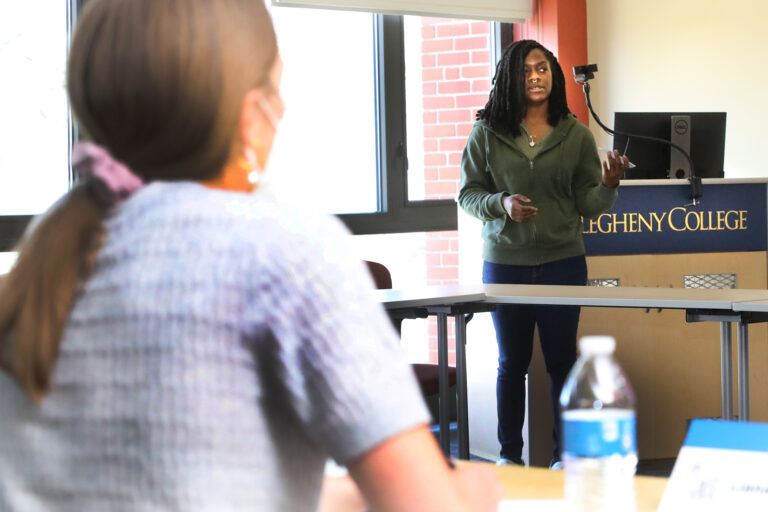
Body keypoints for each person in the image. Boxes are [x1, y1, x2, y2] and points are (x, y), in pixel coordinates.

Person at [0, 1, 503, 510]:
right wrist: (477, 493)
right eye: (276, 88)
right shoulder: (280, 247)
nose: (281, 112)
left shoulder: (45, 258)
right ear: (249, 111)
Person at [458, 40, 628, 469]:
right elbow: (468, 194)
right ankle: (508, 458)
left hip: (562, 261)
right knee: (511, 363)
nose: (535, 76)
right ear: (510, 79)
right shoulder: (487, 133)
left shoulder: (575, 135)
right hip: (505, 262)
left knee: (562, 362)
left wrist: (607, 186)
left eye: (542, 68)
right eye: (526, 70)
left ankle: (564, 458)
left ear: (553, 76)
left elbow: (587, 205)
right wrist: (501, 204)